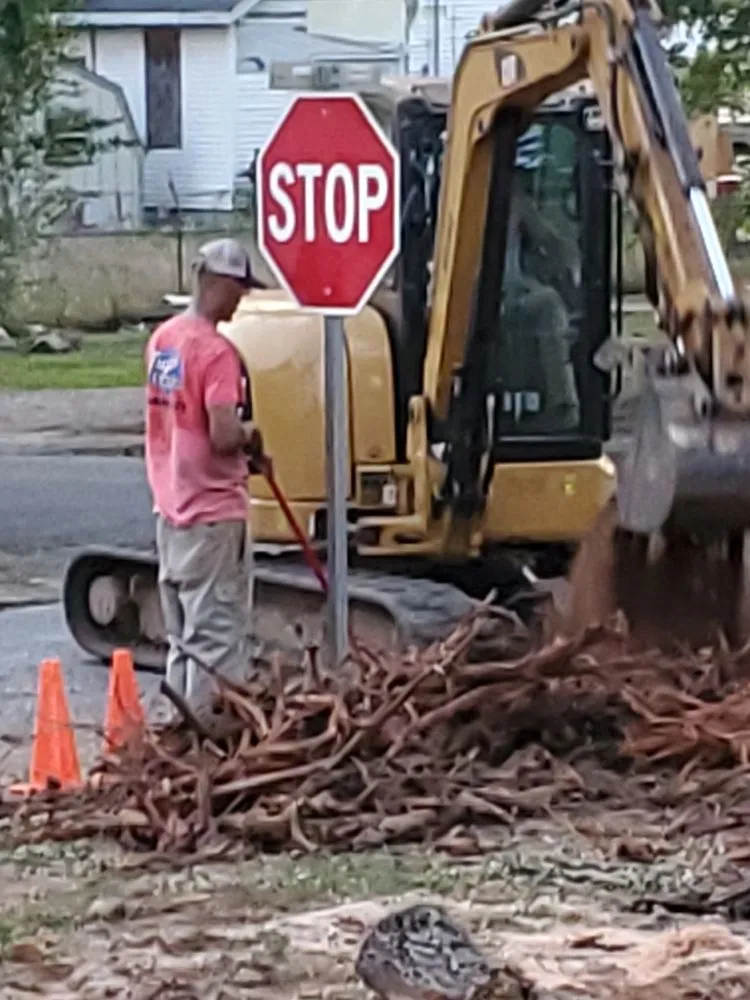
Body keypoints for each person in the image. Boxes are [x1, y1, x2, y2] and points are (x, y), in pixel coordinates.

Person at [144, 236, 264, 728]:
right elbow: (221, 433)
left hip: (171, 502)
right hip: (212, 510)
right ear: (219, 284)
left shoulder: (164, 340)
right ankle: (210, 738)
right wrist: (250, 437)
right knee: (216, 631)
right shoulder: (216, 352)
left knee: (183, 634)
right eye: (239, 288)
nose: (242, 299)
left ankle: (176, 728)